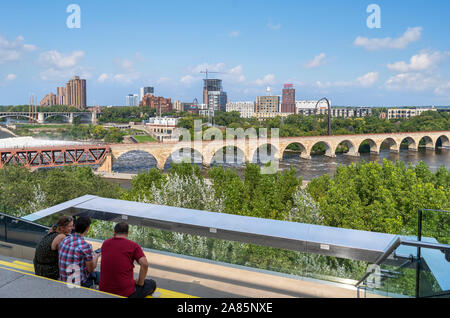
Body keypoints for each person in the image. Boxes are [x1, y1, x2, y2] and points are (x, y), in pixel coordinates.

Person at [99, 222, 157, 298]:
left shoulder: (105, 243)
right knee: (151, 283)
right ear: (127, 233)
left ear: (114, 232)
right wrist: (140, 282)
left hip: (104, 290)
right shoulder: (133, 246)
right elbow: (144, 264)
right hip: (126, 293)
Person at [58, 216, 100, 288]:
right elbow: (91, 269)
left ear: (74, 226)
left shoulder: (64, 240)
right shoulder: (85, 246)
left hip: (63, 280)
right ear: (87, 229)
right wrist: (96, 256)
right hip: (78, 284)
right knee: (100, 275)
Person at [33, 216, 74, 280]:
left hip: (38, 269)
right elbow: (65, 257)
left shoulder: (51, 233)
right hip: (48, 272)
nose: (72, 228)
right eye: (70, 226)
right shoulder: (61, 237)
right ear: (62, 228)